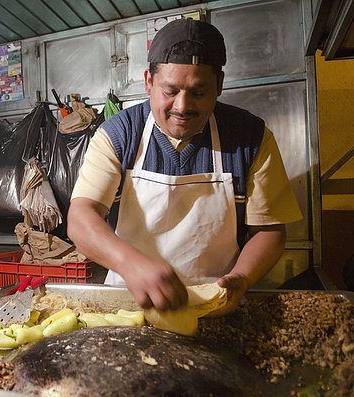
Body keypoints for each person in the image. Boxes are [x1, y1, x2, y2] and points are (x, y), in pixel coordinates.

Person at [67, 18, 302, 316]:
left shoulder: (249, 137)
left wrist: (242, 277)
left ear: (219, 84)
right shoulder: (120, 133)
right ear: (149, 82)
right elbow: (81, 217)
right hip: (130, 305)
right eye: (170, 91)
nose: (182, 106)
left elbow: (269, 230)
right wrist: (131, 264)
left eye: (199, 92)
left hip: (216, 305)